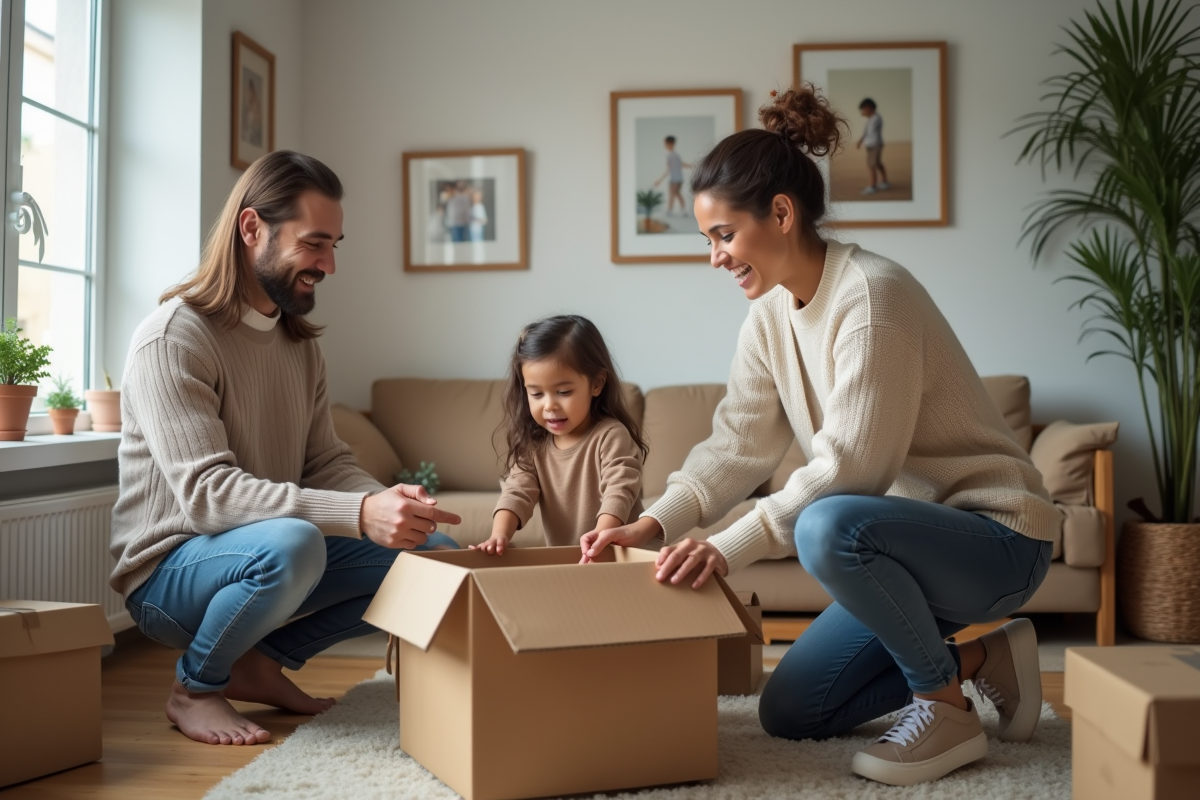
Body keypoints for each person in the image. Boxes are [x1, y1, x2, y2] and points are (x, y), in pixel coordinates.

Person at [580, 87, 1060, 787]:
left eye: (722, 235)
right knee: (793, 708)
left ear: (781, 213)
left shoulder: (873, 296)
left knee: (826, 524)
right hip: (900, 548)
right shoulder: (768, 316)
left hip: (994, 539)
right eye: (707, 239)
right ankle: (986, 662)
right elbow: (736, 445)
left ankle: (943, 707)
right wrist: (653, 523)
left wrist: (724, 546)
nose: (714, 257)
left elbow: (852, 470)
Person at [110, 150, 463, 747]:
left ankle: (257, 663)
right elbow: (207, 498)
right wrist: (356, 515)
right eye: (315, 243)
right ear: (252, 229)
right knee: (294, 543)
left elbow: (326, 462)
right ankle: (195, 689)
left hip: (264, 551)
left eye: (335, 245)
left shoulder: (298, 348)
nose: (329, 264)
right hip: (168, 572)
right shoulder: (173, 339)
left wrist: (387, 504)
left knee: (434, 556)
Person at [473, 315, 648, 555]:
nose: (549, 406)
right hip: (574, 563)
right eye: (536, 394)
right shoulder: (534, 445)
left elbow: (619, 490)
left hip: (624, 557)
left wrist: (601, 536)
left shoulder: (611, 435)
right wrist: (499, 535)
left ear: (596, 383)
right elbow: (516, 492)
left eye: (563, 392)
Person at [856, 98, 890, 194]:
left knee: (872, 165)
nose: (862, 112)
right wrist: (860, 141)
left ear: (868, 108)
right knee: (877, 163)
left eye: (863, 109)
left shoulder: (876, 118)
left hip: (875, 144)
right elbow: (866, 132)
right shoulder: (871, 119)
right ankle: (884, 181)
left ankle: (872, 186)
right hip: (870, 145)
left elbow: (870, 131)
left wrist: (866, 114)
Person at [653, 135, 693, 217]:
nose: (665, 145)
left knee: (673, 194)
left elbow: (668, 170)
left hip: (674, 179)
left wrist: (659, 180)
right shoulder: (676, 155)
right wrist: (692, 165)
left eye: (666, 143)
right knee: (677, 194)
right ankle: (683, 210)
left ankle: (670, 210)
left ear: (670, 144)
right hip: (678, 178)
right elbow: (681, 164)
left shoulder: (671, 155)